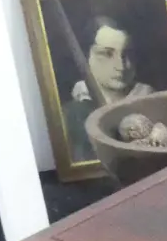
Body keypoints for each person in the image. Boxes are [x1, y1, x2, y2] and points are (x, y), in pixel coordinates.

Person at [63, 13, 154, 164]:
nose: (121, 66)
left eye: (127, 54)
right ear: (86, 57)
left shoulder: (152, 102)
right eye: (106, 53)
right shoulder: (70, 114)